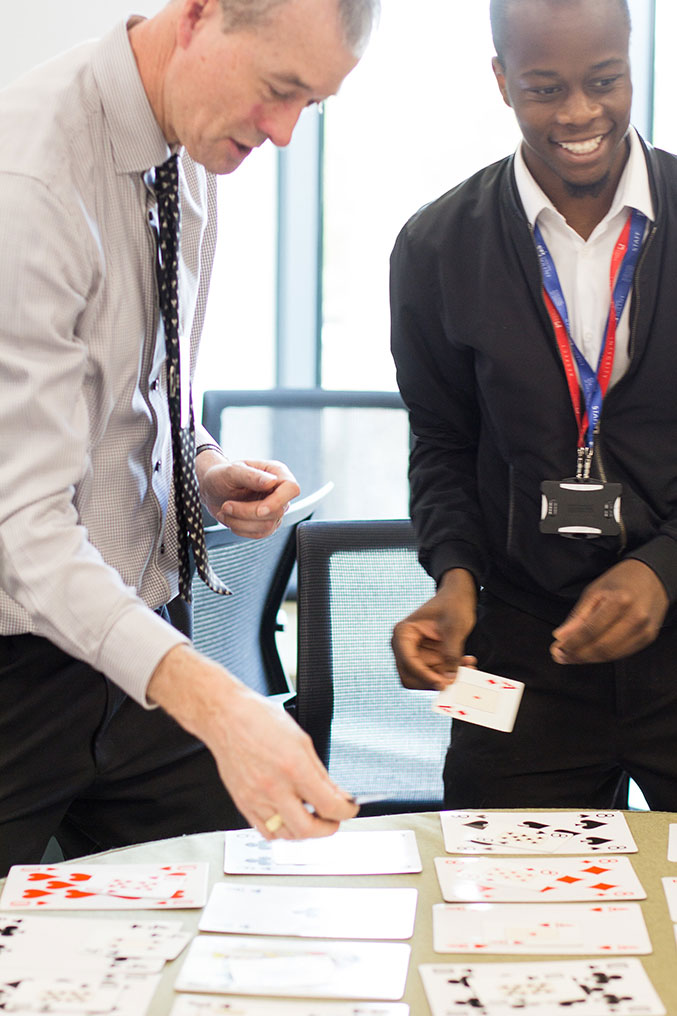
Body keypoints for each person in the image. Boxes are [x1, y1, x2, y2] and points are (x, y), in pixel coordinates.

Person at [0, 0, 379, 877]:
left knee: (249, 905)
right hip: (19, 663)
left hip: (135, 641)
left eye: (309, 106)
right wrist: (213, 697)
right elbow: (22, 528)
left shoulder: (195, 142)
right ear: (200, 17)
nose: (283, 133)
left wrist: (200, 463)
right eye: (278, 90)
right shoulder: (32, 185)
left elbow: (126, 388)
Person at [390, 0, 677, 811]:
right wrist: (452, 578)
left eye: (603, 81)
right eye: (545, 87)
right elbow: (441, 442)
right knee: (499, 915)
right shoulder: (436, 245)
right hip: (520, 650)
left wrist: (662, 567)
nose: (580, 113)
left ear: (632, 62)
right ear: (500, 80)